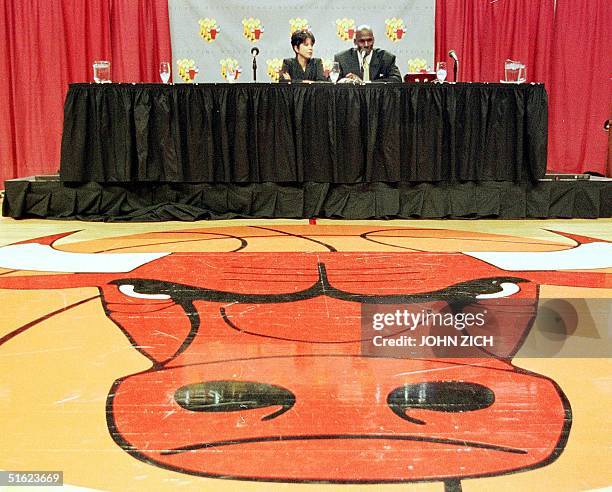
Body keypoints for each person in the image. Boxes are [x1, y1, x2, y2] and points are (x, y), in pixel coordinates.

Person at [334, 25, 402, 83]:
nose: (366, 45)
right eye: (362, 41)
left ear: (373, 40)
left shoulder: (386, 58)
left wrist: (366, 83)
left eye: (369, 40)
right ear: (355, 42)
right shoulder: (342, 59)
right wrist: (346, 81)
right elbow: (334, 83)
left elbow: (396, 79)